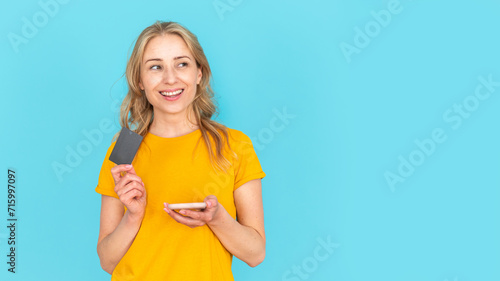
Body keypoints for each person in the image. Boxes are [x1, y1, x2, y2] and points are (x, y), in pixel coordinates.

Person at [95, 21, 266, 280]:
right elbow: (107, 261)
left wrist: (218, 218)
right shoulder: (125, 147)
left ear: (199, 73)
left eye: (182, 64)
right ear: (140, 80)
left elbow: (255, 254)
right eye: (155, 67)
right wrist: (134, 216)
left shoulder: (233, 145)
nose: (170, 78)